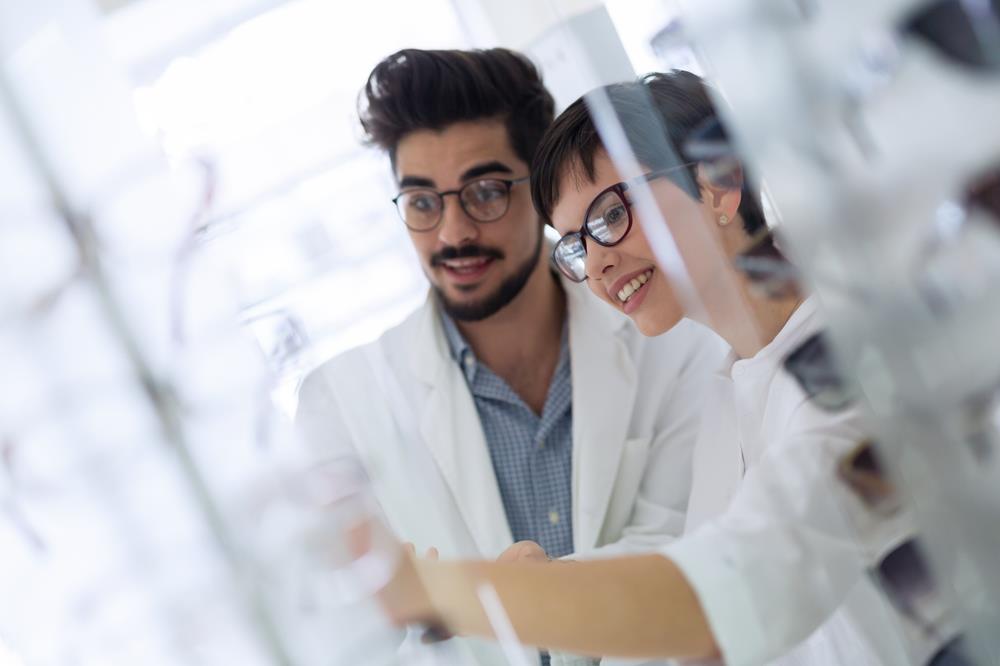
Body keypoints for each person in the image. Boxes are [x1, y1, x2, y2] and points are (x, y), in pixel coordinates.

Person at [360, 71, 948, 665]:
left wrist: (467, 594)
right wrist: (546, 578)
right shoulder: (733, 389)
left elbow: (734, 594)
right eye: (573, 245)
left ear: (719, 181)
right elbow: (701, 595)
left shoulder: (852, 354)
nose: (597, 262)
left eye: (610, 214)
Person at [295, 52, 723, 665]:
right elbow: (348, 640)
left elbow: (691, 542)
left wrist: (527, 593)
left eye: (486, 192)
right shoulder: (338, 404)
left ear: (541, 192)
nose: (452, 233)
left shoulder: (668, 331)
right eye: (421, 202)